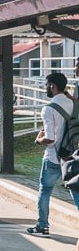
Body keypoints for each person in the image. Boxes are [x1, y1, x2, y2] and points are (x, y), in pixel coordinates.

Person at [27, 72, 79, 237]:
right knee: (75, 191)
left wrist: (38, 140)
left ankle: (42, 226)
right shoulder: (74, 104)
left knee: (45, 190)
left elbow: (50, 138)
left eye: (46, 85)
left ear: (52, 85)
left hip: (53, 157)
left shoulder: (48, 109)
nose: (45, 88)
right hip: (72, 157)